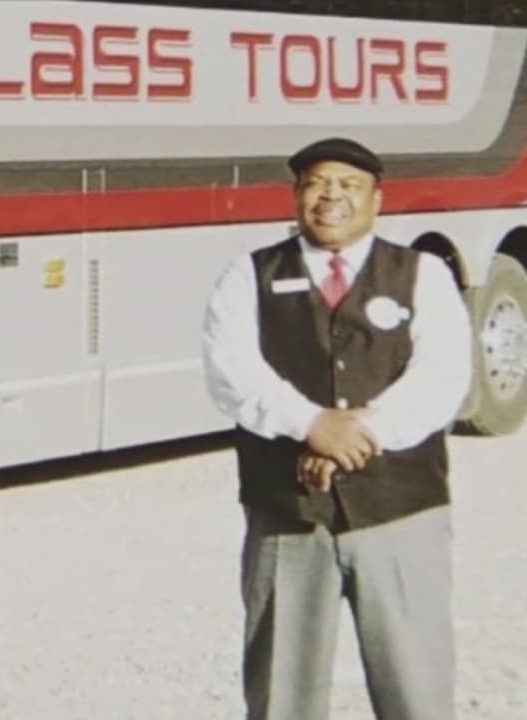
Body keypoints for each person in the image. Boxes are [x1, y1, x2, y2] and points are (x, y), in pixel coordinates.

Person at [201, 137, 473, 719]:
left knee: (418, 691)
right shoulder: (247, 276)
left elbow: (441, 379)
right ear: (296, 195)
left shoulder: (422, 274)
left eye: (349, 185)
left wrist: (351, 438)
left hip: (402, 511)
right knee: (282, 695)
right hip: (289, 513)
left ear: (377, 200)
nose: (332, 197)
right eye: (317, 184)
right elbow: (232, 372)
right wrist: (311, 423)